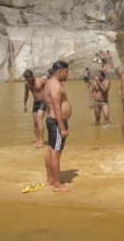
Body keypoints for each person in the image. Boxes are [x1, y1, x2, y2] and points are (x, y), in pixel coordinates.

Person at [43, 61, 72, 192]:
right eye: (66, 72)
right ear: (59, 71)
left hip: (52, 120)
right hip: (56, 121)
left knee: (51, 149)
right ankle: (56, 183)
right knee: (56, 151)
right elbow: (56, 107)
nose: (67, 74)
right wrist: (62, 128)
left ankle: (50, 178)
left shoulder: (50, 82)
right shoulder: (55, 85)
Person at [23, 69, 47, 148]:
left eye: (28, 78)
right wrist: (25, 105)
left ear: (32, 76)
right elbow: (26, 94)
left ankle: (42, 141)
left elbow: (50, 88)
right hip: (35, 103)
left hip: (43, 101)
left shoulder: (41, 81)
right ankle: (37, 140)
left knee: (39, 119)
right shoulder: (27, 84)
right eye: (26, 79)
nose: (28, 80)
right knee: (35, 122)